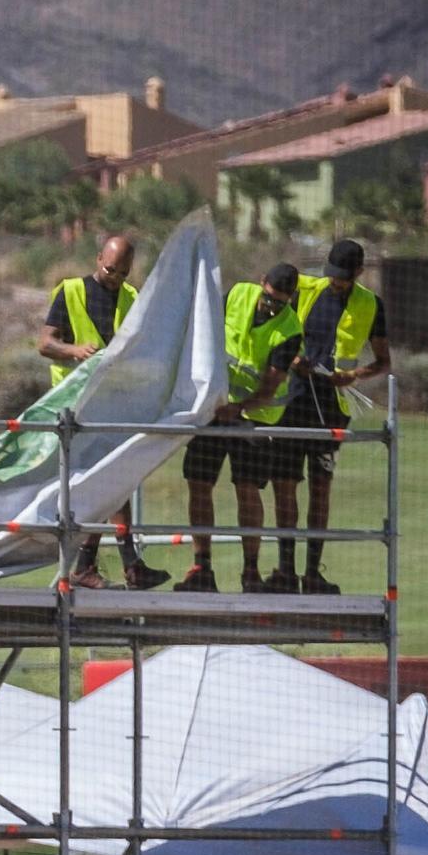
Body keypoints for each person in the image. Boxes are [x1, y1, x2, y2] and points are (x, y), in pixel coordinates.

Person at [37, 235, 170, 590]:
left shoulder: (131, 298)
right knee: (107, 483)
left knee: (115, 481)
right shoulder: (71, 292)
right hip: (76, 409)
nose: (114, 278)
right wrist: (74, 350)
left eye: (122, 273)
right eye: (110, 269)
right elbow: (45, 343)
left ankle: (103, 565)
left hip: (113, 404)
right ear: (98, 259)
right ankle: (120, 564)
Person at [268, 238, 393, 594]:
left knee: (320, 488)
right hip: (293, 401)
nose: (336, 283)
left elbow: (384, 362)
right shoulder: (304, 289)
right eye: (332, 276)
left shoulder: (371, 305)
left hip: (332, 410)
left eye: (343, 278)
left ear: (358, 273)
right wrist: (289, 358)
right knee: (285, 485)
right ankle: (286, 570)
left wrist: (354, 376)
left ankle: (312, 572)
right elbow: (271, 328)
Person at [174, 264, 302, 593]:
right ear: (261, 283)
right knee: (198, 482)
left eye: (279, 303)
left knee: (248, 489)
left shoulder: (289, 330)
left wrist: (240, 408)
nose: (271, 307)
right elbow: (205, 330)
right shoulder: (239, 294)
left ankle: (251, 572)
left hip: (253, 418)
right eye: (269, 298)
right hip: (215, 408)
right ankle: (202, 567)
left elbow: (270, 387)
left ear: (290, 300)